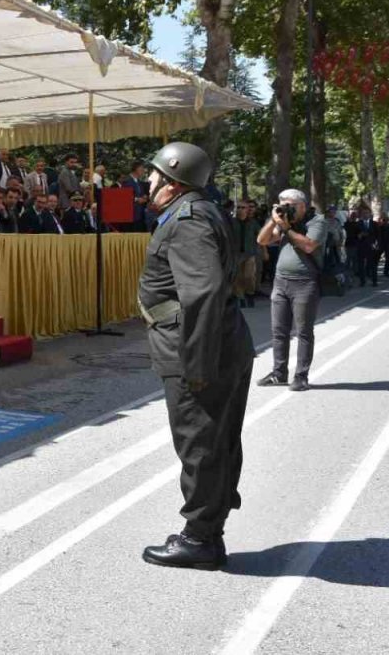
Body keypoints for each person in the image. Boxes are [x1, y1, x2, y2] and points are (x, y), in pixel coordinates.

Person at [139, 142, 254, 570]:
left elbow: (201, 293)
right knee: (216, 439)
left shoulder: (187, 220)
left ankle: (200, 539)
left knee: (200, 443)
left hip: (198, 348)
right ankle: (210, 528)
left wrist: (197, 365)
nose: (148, 182)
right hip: (220, 342)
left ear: (172, 181)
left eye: (153, 175)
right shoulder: (201, 210)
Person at [256, 189, 327, 392]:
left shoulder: (316, 222)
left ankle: (301, 376)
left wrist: (286, 228)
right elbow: (261, 241)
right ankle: (279, 373)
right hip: (281, 282)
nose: (286, 209)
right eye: (282, 204)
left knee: (304, 332)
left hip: (305, 283)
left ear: (302, 205)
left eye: (290, 205)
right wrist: (273, 220)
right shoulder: (284, 222)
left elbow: (309, 246)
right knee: (279, 331)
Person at [230, 200, 261, 306]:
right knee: (237, 277)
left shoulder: (253, 223)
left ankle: (250, 294)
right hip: (236, 254)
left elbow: (260, 237)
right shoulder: (231, 222)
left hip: (250, 253)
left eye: (243, 207)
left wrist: (264, 251)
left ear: (247, 210)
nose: (240, 210)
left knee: (249, 276)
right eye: (238, 207)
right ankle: (240, 297)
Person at [345, 203, 378, 286]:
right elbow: (353, 235)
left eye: (367, 213)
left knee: (372, 264)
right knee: (361, 265)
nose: (366, 215)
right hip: (361, 247)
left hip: (371, 246)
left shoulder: (374, 224)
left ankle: (374, 281)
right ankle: (362, 281)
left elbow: (378, 235)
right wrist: (359, 236)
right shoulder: (357, 224)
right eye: (364, 213)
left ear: (370, 214)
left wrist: (377, 244)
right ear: (361, 215)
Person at [377, 211, 389, 278]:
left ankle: (386, 271)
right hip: (381, 243)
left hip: (388, 243)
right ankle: (374, 270)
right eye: (384, 220)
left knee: (388, 258)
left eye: (386, 220)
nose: (385, 221)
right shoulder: (380, 226)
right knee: (377, 257)